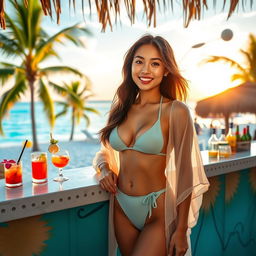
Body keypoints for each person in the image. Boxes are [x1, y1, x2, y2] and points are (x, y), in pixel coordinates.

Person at [93, 34, 209, 256]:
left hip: (158, 209)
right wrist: (105, 170)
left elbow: (186, 173)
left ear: (166, 70)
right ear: (131, 65)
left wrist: (182, 230)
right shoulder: (122, 107)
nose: (145, 70)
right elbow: (104, 152)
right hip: (122, 206)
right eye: (139, 61)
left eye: (155, 63)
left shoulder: (176, 111)